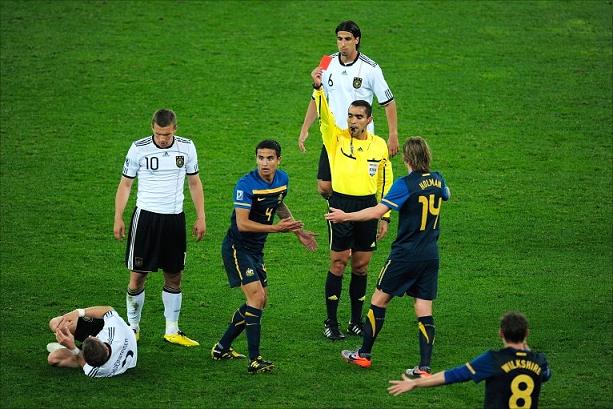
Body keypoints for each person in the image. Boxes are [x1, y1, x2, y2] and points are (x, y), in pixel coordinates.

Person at [326, 136, 449, 373]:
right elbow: (446, 194)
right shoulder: (438, 179)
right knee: (424, 309)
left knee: (379, 300)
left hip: (405, 255)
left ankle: (363, 354)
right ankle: (424, 367)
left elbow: (376, 212)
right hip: (430, 255)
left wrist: (345, 216)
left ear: (406, 158)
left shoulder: (405, 184)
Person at [211, 139, 317, 374]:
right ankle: (254, 360)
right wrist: (276, 229)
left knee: (260, 300)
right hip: (237, 248)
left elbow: (278, 204)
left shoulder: (282, 179)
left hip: (256, 250)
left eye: (270, 158)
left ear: (279, 160)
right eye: (260, 158)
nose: (265, 163)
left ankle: (221, 347)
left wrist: (298, 232)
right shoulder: (245, 184)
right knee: (256, 298)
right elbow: (242, 224)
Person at [312, 68, 393, 341]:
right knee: (338, 262)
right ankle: (331, 321)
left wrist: (385, 215)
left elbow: (385, 180)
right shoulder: (336, 138)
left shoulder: (379, 145)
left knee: (361, 266)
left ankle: (355, 321)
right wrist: (319, 90)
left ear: (369, 120)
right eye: (350, 116)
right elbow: (325, 118)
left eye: (358, 117)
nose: (352, 121)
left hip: (368, 207)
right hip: (340, 205)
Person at [114, 108, 206, 347]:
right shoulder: (139, 148)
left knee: (174, 275)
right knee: (138, 276)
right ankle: (132, 328)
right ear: (152, 128)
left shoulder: (187, 147)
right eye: (158, 133)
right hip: (146, 219)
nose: (162, 138)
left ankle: (172, 330)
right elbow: (125, 184)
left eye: (166, 134)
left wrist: (201, 217)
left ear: (175, 129)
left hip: (174, 219)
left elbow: (194, 183)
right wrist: (118, 216)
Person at [298, 20, 398, 199]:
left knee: (360, 187)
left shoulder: (370, 68)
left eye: (347, 39)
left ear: (357, 40)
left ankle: (360, 214)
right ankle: (340, 211)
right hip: (334, 136)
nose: (342, 43)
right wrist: (305, 128)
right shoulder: (326, 62)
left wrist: (393, 135)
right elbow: (317, 97)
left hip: (361, 137)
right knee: (324, 186)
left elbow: (388, 102)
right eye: (339, 39)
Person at [388, 312, 552, 409]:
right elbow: (545, 375)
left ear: (500, 333)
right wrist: (525, 348)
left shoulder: (493, 360)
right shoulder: (539, 361)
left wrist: (415, 383)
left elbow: (453, 375)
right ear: (527, 334)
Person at [46, 306, 137, 377]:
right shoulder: (114, 329)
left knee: (53, 359)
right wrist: (78, 312)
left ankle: (67, 346)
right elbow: (108, 309)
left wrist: (72, 348)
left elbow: (83, 362)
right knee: (55, 324)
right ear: (106, 347)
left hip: (113, 348)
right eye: (94, 338)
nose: (90, 336)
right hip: (122, 335)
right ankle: (69, 346)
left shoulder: (96, 370)